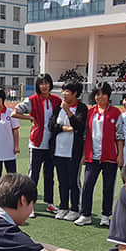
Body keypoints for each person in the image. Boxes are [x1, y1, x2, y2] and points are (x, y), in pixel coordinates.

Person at [13, 74, 61, 214]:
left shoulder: (56, 100)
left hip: (51, 143)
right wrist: (29, 117)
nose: (44, 86)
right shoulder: (32, 100)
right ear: (38, 86)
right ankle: (30, 204)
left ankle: (49, 202)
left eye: (47, 83)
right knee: (33, 175)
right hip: (37, 143)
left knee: (49, 175)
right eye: (41, 83)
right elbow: (14, 113)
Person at [76, 82, 122, 227]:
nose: (99, 97)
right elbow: (85, 135)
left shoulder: (115, 112)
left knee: (108, 188)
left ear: (108, 95)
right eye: (97, 94)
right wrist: (84, 154)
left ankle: (105, 216)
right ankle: (85, 214)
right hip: (92, 156)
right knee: (88, 185)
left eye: (102, 94)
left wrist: (120, 155)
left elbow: (119, 135)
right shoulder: (90, 112)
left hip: (109, 157)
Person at [49, 79, 87, 221]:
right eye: (63, 91)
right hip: (58, 150)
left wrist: (68, 111)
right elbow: (52, 126)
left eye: (67, 91)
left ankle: (75, 208)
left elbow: (79, 126)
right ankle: (63, 206)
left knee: (73, 182)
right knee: (62, 181)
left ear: (75, 93)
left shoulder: (81, 108)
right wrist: (65, 128)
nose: (64, 94)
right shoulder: (58, 107)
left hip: (73, 152)